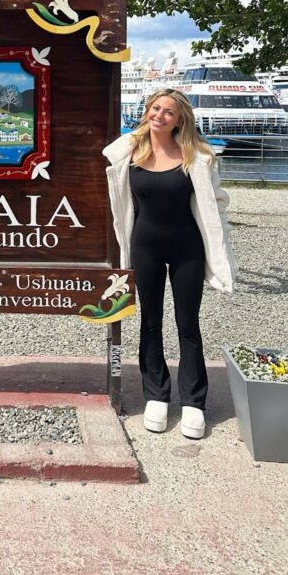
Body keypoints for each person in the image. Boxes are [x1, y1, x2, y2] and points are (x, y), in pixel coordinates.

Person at [103, 88, 236, 440]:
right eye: (155, 108)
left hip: (187, 249)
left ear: (181, 120)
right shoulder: (129, 152)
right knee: (150, 322)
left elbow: (217, 203)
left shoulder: (198, 156)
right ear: (147, 111)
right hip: (144, 246)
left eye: (169, 112)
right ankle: (156, 395)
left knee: (188, 324)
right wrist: (142, 130)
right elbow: (110, 160)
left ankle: (194, 402)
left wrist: (221, 247)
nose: (160, 115)